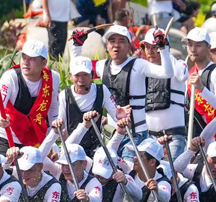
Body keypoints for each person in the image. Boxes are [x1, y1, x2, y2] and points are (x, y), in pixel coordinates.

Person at [70, 25, 173, 162]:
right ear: (107, 46)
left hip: (135, 134)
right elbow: (77, 66)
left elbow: (167, 73)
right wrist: (77, 44)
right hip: (111, 134)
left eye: (121, 41)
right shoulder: (102, 66)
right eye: (112, 41)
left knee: (129, 170)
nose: (116, 45)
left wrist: (163, 48)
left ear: (129, 45)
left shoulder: (139, 65)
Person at [0, 40, 60, 154]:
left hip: (32, 137)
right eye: (24, 57)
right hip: (5, 136)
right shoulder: (10, 77)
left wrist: (53, 135)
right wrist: (0, 118)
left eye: (32, 59)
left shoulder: (53, 78)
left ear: (44, 63)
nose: (26, 62)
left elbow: (53, 108)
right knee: (7, 166)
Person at [141, 28, 189, 161]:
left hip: (173, 137)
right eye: (147, 47)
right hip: (149, 138)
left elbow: (182, 75)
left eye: (154, 47)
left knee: (169, 172)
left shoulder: (178, 65)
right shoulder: (143, 70)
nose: (150, 51)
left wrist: (165, 49)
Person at [58, 56, 120, 157]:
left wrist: (121, 116)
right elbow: (60, 127)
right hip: (72, 150)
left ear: (92, 75)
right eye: (77, 75)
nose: (81, 80)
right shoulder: (64, 95)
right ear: (70, 76)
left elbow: (117, 116)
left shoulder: (102, 90)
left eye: (85, 75)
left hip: (96, 149)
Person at [185, 28, 216, 140]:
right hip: (196, 134)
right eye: (190, 45)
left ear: (209, 48)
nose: (193, 49)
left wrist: (201, 88)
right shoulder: (189, 72)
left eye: (198, 45)